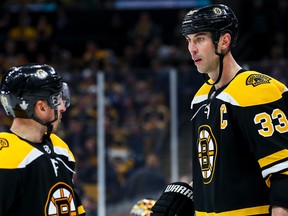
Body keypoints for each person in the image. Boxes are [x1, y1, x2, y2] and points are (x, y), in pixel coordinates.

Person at [151, 4, 288, 216]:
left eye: (200, 39)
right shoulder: (201, 98)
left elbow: (283, 171)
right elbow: (218, 169)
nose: (192, 49)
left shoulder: (256, 91)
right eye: (189, 40)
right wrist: (191, 190)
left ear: (224, 41)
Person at [0, 64, 86, 215]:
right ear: (41, 107)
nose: (63, 108)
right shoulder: (6, 156)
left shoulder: (61, 148)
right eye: (57, 99)